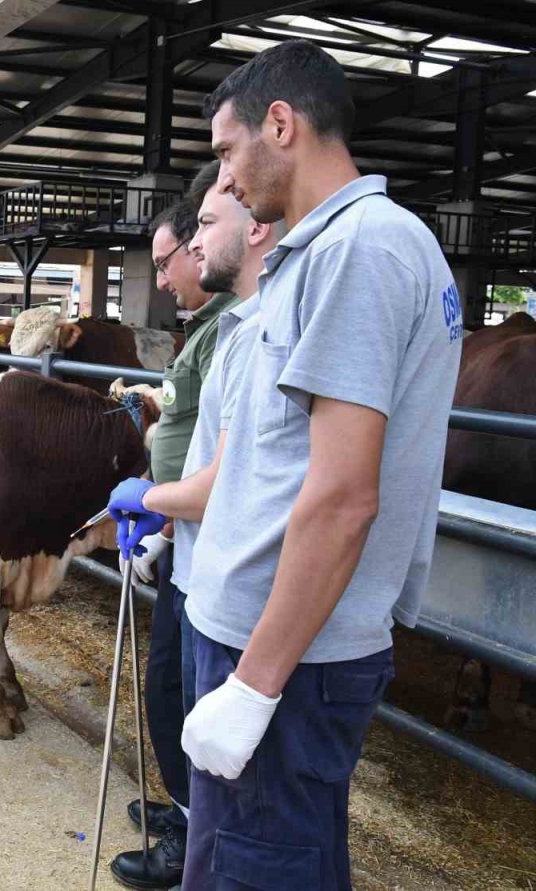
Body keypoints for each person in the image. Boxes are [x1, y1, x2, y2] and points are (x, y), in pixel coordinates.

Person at [109, 40, 459, 889]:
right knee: (273, 855)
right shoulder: (337, 251)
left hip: (284, 651)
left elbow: (341, 495)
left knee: (256, 867)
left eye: (228, 152)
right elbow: (270, 459)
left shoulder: (358, 252)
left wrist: (256, 686)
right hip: (277, 633)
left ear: (281, 124)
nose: (225, 179)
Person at [109, 160, 279, 889]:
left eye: (174, 254)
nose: (168, 276)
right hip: (188, 538)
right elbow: (198, 433)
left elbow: (229, 463)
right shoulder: (211, 328)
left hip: (211, 548)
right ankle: (186, 812)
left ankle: (190, 833)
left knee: (181, 691)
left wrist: (154, 509)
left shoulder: (234, 331)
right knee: (172, 685)